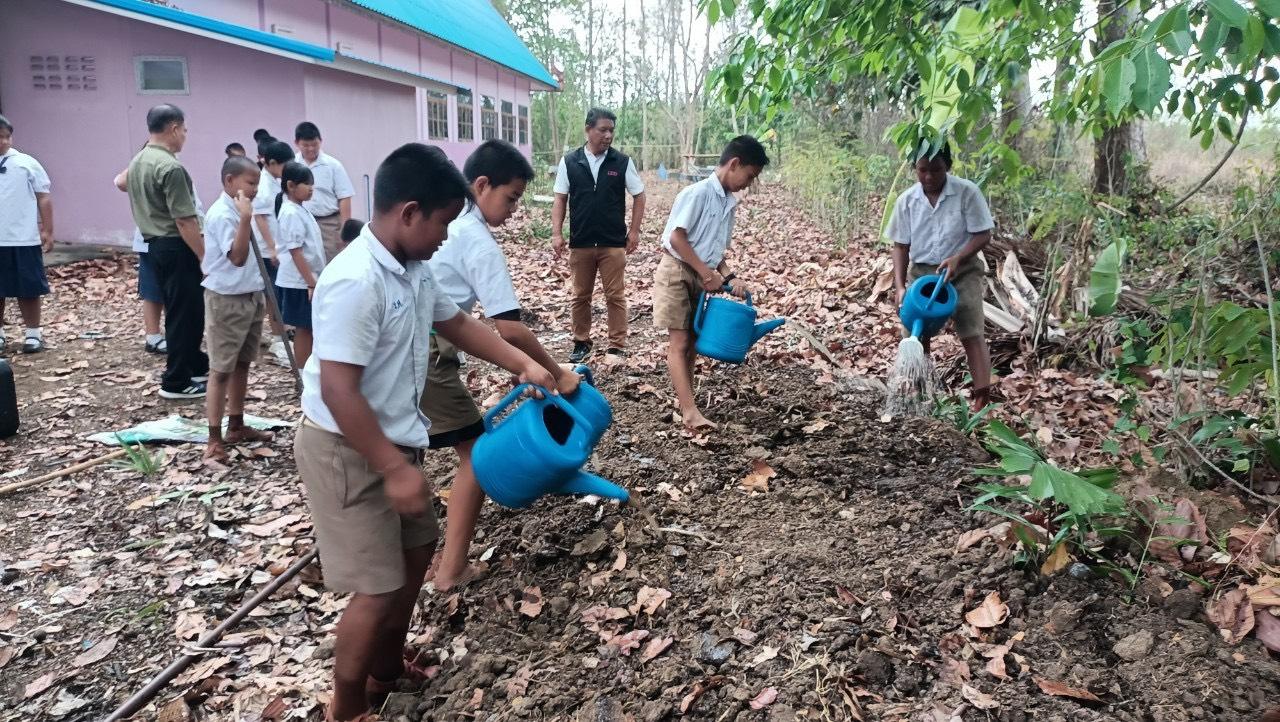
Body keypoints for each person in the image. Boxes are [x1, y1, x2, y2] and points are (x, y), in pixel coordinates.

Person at [293, 142, 555, 722]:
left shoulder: (412, 269)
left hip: (392, 443)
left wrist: (525, 365)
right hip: (346, 450)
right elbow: (339, 390)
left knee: (413, 562)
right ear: (409, 212)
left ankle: (386, 671)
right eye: (441, 222)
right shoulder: (356, 280)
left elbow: (457, 321)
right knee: (379, 586)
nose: (445, 236)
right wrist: (390, 468)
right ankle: (345, 707)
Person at [424, 139, 581, 592]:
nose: (515, 208)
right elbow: (509, 329)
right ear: (481, 184)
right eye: (511, 197)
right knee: (478, 456)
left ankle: (428, 556)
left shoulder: (452, 227)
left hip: (422, 344)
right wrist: (556, 370)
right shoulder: (476, 241)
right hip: (429, 354)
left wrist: (526, 368)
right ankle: (450, 571)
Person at [654, 135, 769, 431]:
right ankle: (690, 413)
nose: (749, 182)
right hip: (677, 271)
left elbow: (716, 251)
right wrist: (705, 273)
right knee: (678, 343)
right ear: (734, 164)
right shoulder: (698, 193)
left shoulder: (728, 203)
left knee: (692, 341)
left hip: (699, 272)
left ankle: (686, 404)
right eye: (750, 175)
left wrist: (729, 276)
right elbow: (677, 238)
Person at [887, 143, 994, 411]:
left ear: (948, 166)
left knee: (971, 330)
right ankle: (921, 392)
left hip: (963, 269)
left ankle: (982, 397)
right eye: (922, 170)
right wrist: (900, 287)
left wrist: (959, 258)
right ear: (915, 169)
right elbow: (900, 246)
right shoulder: (907, 201)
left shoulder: (967, 193)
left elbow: (983, 233)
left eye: (936, 170)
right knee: (915, 332)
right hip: (923, 273)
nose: (929, 177)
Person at [127, 103, 209, 399]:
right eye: (184, 130)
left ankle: (195, 364)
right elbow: (184, 219)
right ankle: (175, 381)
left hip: (157, 246)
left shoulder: (138, 161)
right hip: (177, 245)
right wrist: (204, 256)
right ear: (174, 128)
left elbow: (122, 184)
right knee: (184, 313)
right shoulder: (170, 167)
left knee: (183, 309)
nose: (185, 136)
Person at [551, 108, 646, 363]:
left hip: (612, 242)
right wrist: (557, 233)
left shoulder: (622, 162)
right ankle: (581, 342)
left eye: (611, 130)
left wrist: (634, 231)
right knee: (580, 295)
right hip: (581, 242)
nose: (608, 135)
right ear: (588, 129)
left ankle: (617, 345)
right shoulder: (569, 162)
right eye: (602, 130)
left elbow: (639, 194)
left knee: (615, 294)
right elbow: (560, 198)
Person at [200, 156, 273, 462]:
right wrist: (245, 219)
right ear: (230, 181)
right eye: (250, 183)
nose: (255, 189)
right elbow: (238, 257)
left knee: (243, 363)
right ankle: (214, 437)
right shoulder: (222, 215)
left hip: (249, 294)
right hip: (226, 299)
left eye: (257, 183)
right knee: (220, 369)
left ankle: (237, 423)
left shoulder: (239, 209)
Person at [114, 162, 205, 355]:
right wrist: (140, 163)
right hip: (155, 239)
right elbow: (120, 182)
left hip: (177, 238)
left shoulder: (173, 168)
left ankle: (176, 336)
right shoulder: (145, 169)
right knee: (153, 290)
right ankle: (153, 336)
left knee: (176, 291)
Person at [0, 115, 54, 354]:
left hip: (23, 237)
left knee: (29, 288)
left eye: (6, 136)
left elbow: (44, 195)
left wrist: (48, 229)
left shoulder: (26, 163)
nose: (3, 141)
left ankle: (33, 333)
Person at [274, 161, 325, 371]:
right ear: (291, 186)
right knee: (304, 328)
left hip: (307, 279)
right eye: (306, 184)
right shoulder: (291, 213)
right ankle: (303, 374)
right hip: (300, 281)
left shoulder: (300, 210)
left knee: (310, 327)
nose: (311, 188)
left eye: (312, 184)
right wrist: (310, 282)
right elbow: (296, 252)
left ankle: (309, 370)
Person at [254, 140, 297, 365]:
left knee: (275, 291)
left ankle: (280, 330)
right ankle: (277, 333)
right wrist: (271, 248)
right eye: (284, 165)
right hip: (266, 248)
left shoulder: (274, 182)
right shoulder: (263, 185)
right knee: (272, 291)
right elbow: (259, 217)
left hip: (275, 245)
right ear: (271, 163)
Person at [295, 121, 354, 261]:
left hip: (329, 223)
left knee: (333, 261)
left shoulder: (333, 165)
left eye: (314, 144)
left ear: (320, 141)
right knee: (307, 261)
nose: (310, 149)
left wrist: (344, 229)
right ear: (297, 143)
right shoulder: (292, 164)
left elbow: (345, 197)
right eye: (306, 145)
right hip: (301, 221)